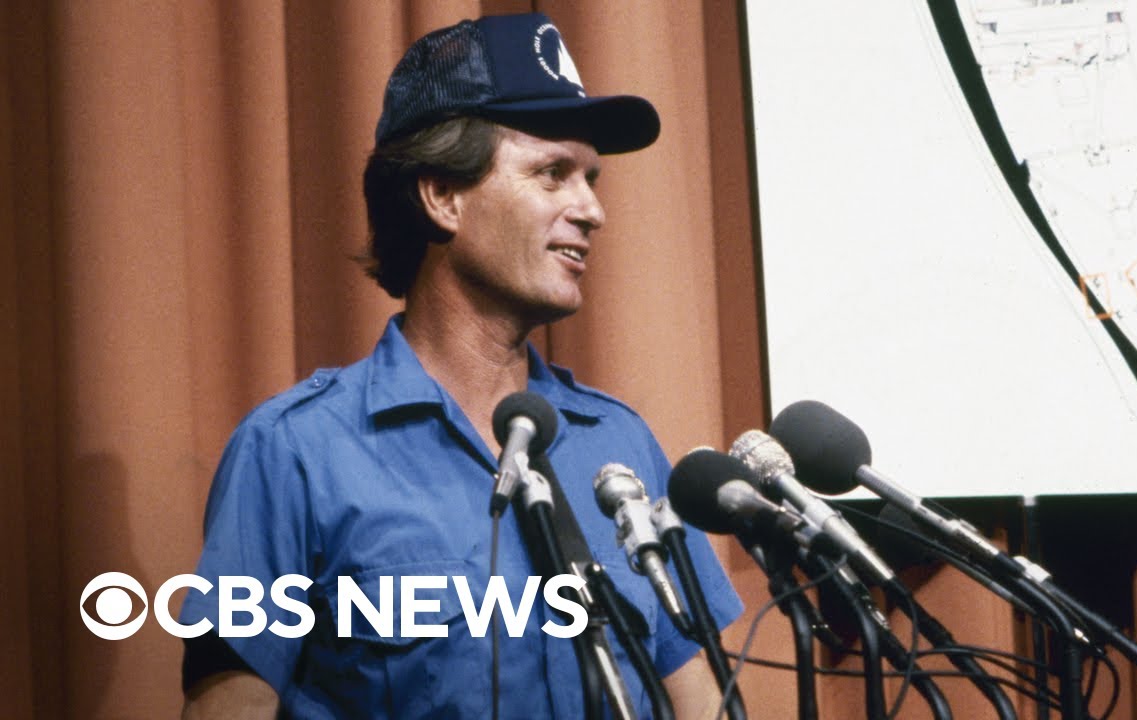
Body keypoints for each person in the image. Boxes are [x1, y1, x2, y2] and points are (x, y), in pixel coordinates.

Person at [178, 12, 743, 719]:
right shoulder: (294, 451)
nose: (592, 209)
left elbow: (704, 702)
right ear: (443, 195)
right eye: (552, 174)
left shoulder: (619, 447)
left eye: (591, 178)